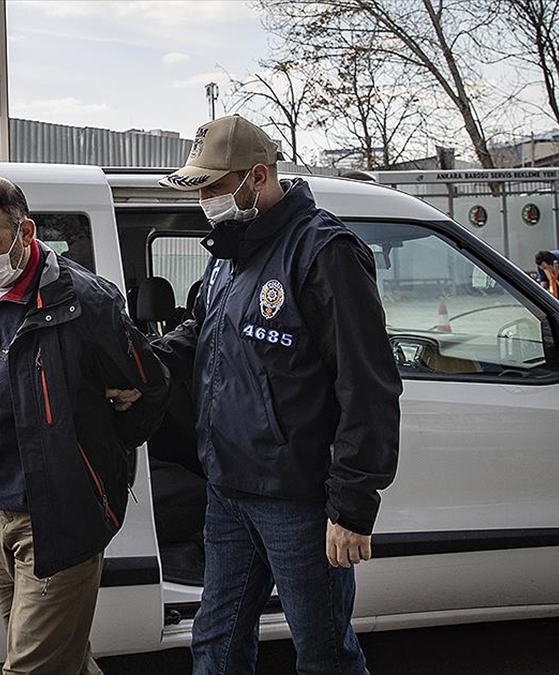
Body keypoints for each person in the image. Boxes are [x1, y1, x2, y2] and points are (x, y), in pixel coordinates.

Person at [152, 115, 402, 675]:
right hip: (228, 488)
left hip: (297, 500)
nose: (205, 201)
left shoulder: (323, 252)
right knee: (215, 641)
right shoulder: (230, 251)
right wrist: (143, 363)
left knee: (323, 652)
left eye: (213, 188)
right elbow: (203, 333)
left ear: (258, 177)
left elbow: (368, 385)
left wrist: (353, 506)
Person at [0, 175, 170, 675]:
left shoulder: (85, 302)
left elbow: (150, 386)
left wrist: (100, 452)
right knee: (62, 660)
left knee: (31, 667)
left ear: (25, 231)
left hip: (60, 516)